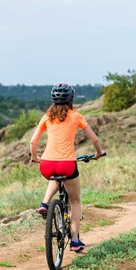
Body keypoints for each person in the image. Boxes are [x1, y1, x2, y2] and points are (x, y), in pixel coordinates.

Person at [30, 83, 103, 252]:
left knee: (55, 176)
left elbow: (33, 141)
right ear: (71, 99)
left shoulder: (47, 116)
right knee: (75, 200)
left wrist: (35, 158)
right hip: (67, 164)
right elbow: (95, 140)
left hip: (47, 164)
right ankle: (75, 240)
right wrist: (98, 153)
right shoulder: (76, 116)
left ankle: (45, 202)